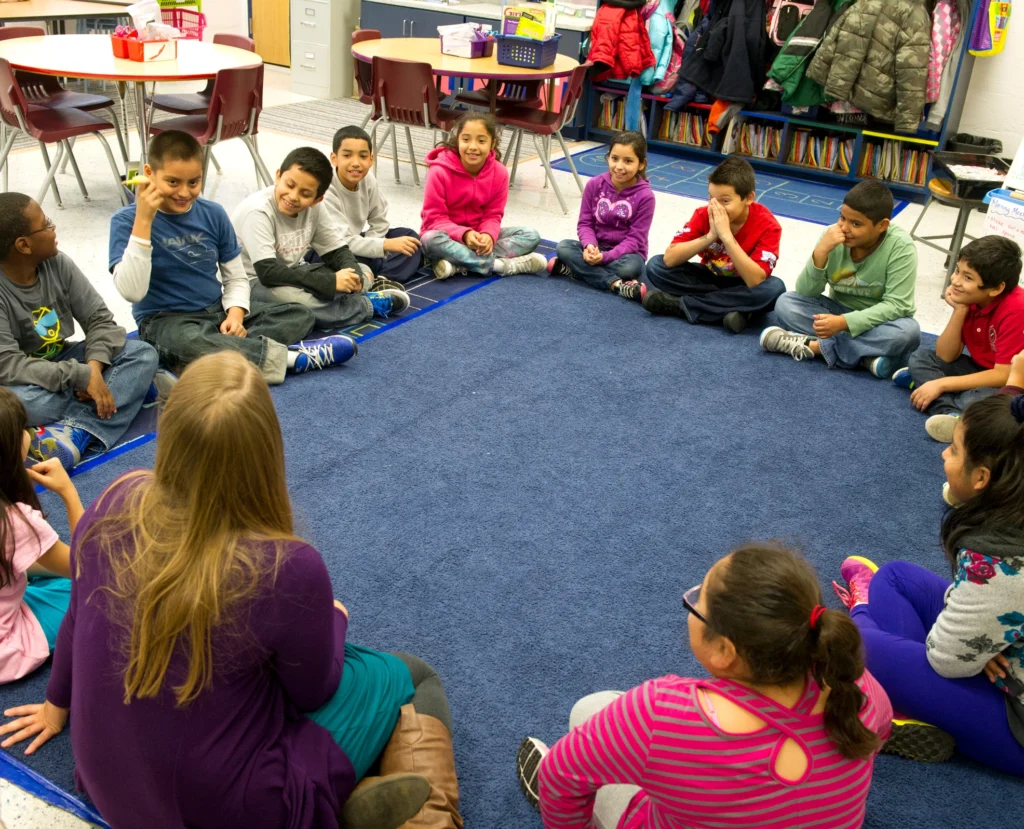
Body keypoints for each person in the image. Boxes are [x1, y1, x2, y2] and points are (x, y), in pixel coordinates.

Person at [0, 351, 463, 829]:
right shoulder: (287, 566)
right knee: (411, 675)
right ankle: (421, 820)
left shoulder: (115, 497)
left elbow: (78, 615)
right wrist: (334, 618)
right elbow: (311, 692)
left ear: (170, 435)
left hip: (109, 790)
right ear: (265, 448)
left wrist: (57, 709)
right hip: (226, 810)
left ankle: (345, 797)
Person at [517, 543, 891, 829]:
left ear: (724, 651)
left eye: (698, 601)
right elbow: (883, 727)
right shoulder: (853, 683)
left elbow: (559, 777)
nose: (693, 598)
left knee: (590, 710)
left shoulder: (659, 713)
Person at [833, 355, 1024, 775]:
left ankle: (862, 616)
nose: (944, 456)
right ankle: (904, 705)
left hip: (1017, 726)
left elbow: (948, 661)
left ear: (982, 479)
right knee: (897, 575)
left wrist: (977, 650)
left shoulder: (999, 558)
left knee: (849, 643)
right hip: (1009, 653)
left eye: (954, 450)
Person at [109, 131, 356, 384]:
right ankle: (290, 360)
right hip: (166, 321)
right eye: (173, 182)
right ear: (149, 174)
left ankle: (207, 356)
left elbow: (235, 276)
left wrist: (235, 314)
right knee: (186, 341)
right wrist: (143, 221)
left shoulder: (213, 213)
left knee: (298, 314)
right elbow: (132, 293)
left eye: (193, 182)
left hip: (216, 311)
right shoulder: (126, 220)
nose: (184, 192)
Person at [0, 193, 165, 470]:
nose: (54, 229)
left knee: (143, 354)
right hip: (21, 379)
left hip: (65, 360)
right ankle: (125, 392)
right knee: (19, 405)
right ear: (23, 245)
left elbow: (100, 320)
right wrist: (82, 377)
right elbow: (8, 365)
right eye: (47, 224)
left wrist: (94, 368)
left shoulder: (59, 264)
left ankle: (73, 432)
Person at [231, 146, 411, 332]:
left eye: (305, 194)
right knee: (301, 303)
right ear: (278, 176)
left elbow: (337, 250)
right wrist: (331, 283)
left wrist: (354, 277)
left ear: (318, 199)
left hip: (292, 272)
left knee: (359, 269)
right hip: (252, 282)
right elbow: (268, 273)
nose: (293, 197)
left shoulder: (315, 209)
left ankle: (356, 290)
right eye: (290, 185)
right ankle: (366, 305)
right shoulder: (257, 212)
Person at [761, 180, 920, 376]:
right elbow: (805, 292)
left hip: (880, 322)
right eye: (842, 218)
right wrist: (820, 254)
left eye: (856, 224)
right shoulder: (832, 236)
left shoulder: (901, 247)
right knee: (786, 302)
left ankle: (815, 347)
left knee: (908, 333)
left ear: (882, 226)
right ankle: (865, 357)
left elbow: (897, 305)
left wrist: (844, 323)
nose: (844, 227)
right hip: (835, 313)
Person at [895, 235, 1024, 443]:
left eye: (968, 278)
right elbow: (945, 355)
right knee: (920, 357)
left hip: (1011, 382)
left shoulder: (1017, 308)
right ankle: (952, 414)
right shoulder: (971, 298)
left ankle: (933, 395)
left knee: (975, 400)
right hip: (979, 369)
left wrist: (942, 384)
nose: (955, 281)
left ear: (996, 289)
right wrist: (960, 310)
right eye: (957, 271)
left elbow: (1004, 375)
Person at [642, 156, 784, 333]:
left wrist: (726, 237)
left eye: (725, 201)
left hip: (742, 285)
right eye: (711, 198)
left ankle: (679, 305)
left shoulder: (768, 226)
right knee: (656, 266)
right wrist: (711, 236)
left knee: (775, 289)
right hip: (709, 280)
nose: (715, 207)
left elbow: (755, 280)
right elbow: (670, 259)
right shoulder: (703, 214)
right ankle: (732, 310)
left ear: (748, 198)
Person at [0, 387, 79, 684]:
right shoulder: (14, 523)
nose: (29, 432)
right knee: (101, 592)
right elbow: (87, 568)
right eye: (23, 427)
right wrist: (69, 493)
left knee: (46, 568)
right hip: (9, 647)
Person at [421, 113, 546, 280]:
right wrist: (464, 235)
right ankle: (500, 265)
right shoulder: (439, 172)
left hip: (479, 238)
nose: (473, 147)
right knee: (430, 240)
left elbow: (493, 215)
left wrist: (488, 235)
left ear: (492, 143)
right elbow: (434, 219)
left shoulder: (499, 172)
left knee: (531, 235)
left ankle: (460, 264)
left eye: (481, 141)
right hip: (447, 237)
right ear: (458, 140)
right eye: (466, 140)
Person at [546, 130, 654, 303]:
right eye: (614, 158)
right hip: (597, 247)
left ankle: (574, 270)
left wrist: (604, 258)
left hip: (626, 255)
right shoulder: (594, 184)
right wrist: (590, 246)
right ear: (608, 157)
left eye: (628, 161)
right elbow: (585, 224)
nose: (619, 166)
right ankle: (617, 285)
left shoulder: (646, 197)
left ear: (641, 164)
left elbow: (635, 239)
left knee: (631, 268)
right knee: (564, 247)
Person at [323, 125, 424, 286]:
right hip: (329, 249)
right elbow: (341, 241)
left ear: (371, 159)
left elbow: (379, 221)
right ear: (334, 158)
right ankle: (378, 274)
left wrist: (375, 247)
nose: (355, 163)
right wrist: (383, 246)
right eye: (347, 155)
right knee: (344, 261)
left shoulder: (368, 180)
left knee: (410, 238)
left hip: (357, 242)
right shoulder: (326, 189)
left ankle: (381, 279)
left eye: (362, 156)